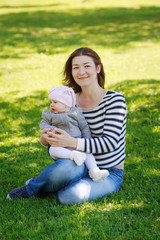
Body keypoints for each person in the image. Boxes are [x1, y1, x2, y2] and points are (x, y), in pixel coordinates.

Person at [7, 47, 127, 205]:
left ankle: (50, 184)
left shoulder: (114, 100)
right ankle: (32, 189)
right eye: (75, 67)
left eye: (87, 66)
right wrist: (45, 139)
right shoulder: (68, 101)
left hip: (108, 171)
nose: (81, 71)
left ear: (98, 68)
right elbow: (58, 140)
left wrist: (72, 142)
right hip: (77, 161)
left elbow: (110, 143)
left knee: (69, 196)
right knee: (65, 168)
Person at [39, 85, 109, 181]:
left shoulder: (75, 113)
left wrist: (87, 139)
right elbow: (43, 124)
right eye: (51, 102)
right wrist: (52, 129)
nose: (52, 105)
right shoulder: (50, 115)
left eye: (55, 102)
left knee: (87, 153)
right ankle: (73, 155)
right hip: (60, 145)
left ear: (66, 105)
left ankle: (95, 172)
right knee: (53, 150)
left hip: (76, 142)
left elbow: (84, 127)